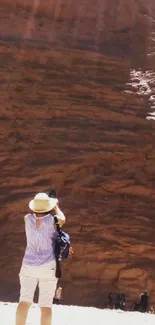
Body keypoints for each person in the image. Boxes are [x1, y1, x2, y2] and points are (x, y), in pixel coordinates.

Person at [15, 192, 66, 325]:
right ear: (48, 207)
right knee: (45, 305)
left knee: (24, 301)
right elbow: (63, 218)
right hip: (48, 266)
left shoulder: (27, 218)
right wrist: (56, 205)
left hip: (28, 265)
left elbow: (33, 216)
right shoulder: (53, 220)